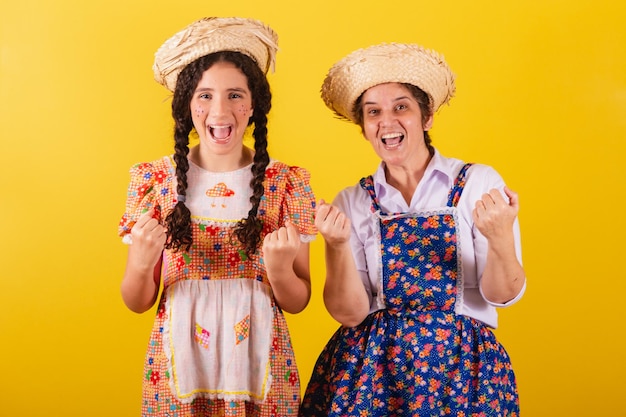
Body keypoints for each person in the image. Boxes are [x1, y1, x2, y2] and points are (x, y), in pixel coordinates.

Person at [299, 43, 526, 416]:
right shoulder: (352, 200)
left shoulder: (478, 183)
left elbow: (502, 295)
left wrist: (500, 236)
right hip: (373, 373)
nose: (387, 121)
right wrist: (337, 245)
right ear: (364, 128)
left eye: (401, 107)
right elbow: (350, 314)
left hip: (463, 370)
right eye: (374, 112)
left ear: (427, 117)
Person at [117, 17, 316, 417]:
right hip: (178, 364)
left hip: (261, 367)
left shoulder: (286, 183)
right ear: (188, 103)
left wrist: (278, 270)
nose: (220, 110)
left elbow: (298, 302)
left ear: (254, 104)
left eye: (235, 95)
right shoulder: (154, 181)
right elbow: (137, 301)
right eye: (205, 95)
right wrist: (140, 263)